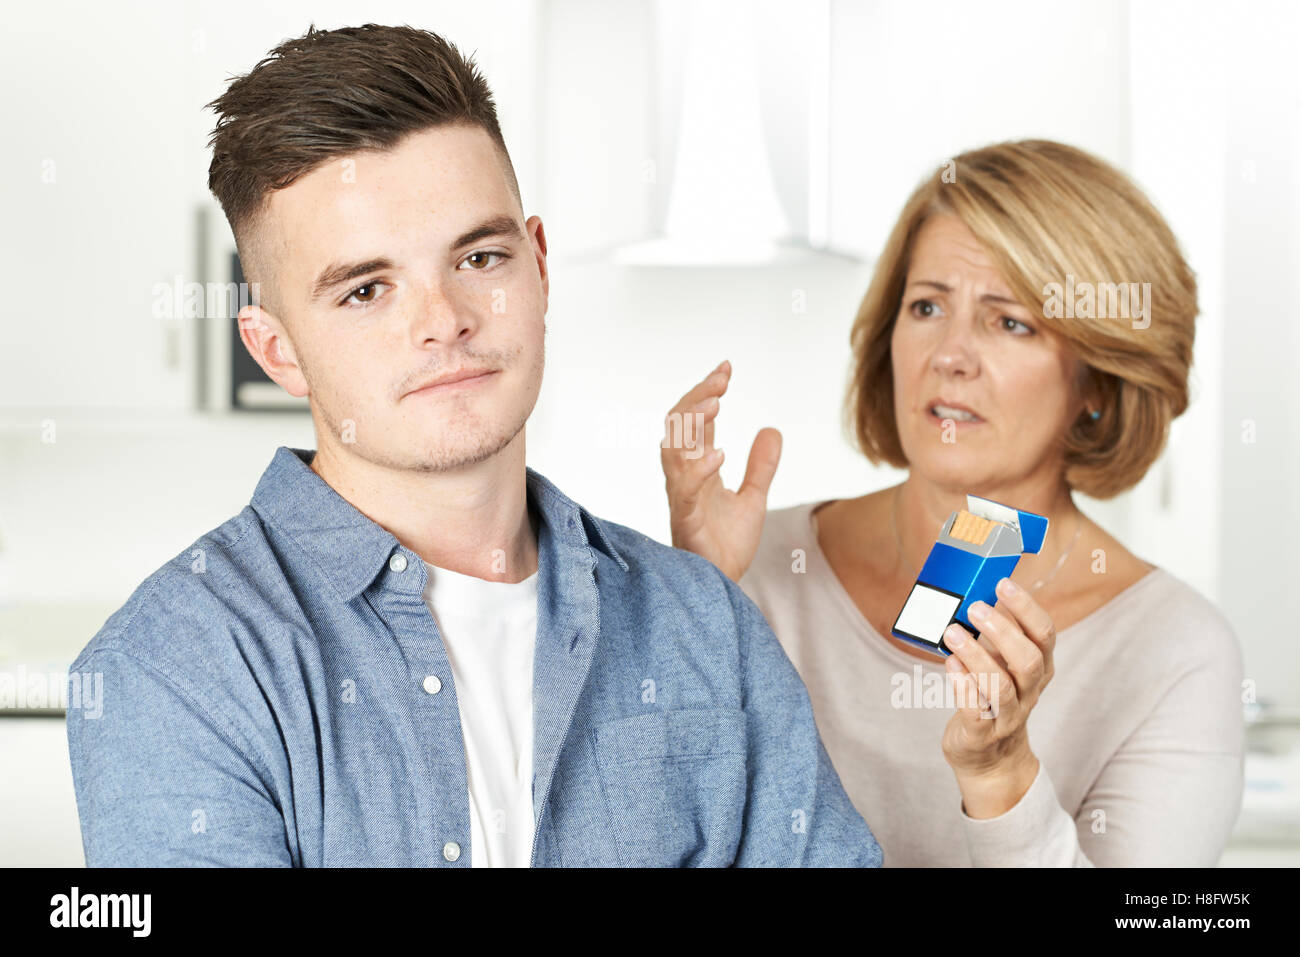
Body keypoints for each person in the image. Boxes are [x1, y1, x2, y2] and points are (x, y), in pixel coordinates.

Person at [64, 23, 881, 868]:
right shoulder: (175, 669)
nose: (444, 319)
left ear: (539, 269)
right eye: (367, 290)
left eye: (480, 256)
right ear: (276, 350)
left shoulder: (703, 622)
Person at [661, 140, 1245, 866]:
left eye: (1011, 322)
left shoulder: (1176, 653)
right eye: (928, 305)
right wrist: (692, 606)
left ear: (1096, 381)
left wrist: (1001, 773)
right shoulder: (759, 565)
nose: (950, 354)